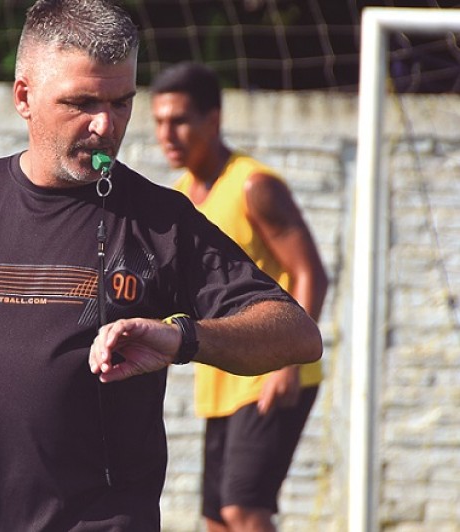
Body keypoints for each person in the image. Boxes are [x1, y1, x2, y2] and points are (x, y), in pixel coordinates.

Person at [0, 3, 322, 530]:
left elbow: (297, 333)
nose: (105, 125)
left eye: (121, 103)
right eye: (81, 103)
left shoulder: (160, 221)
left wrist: (182, 338)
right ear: (24, 97)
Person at [150, 62, 328, 532]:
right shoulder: (181, 197)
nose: (167, 134)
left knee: (243, 511)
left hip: (271, 370)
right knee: (216, 519)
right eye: (159, 121)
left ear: (213, 120)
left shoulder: (254, 185)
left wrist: (289, 363)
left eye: (180, 120)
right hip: (223, 375)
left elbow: (310, 272)